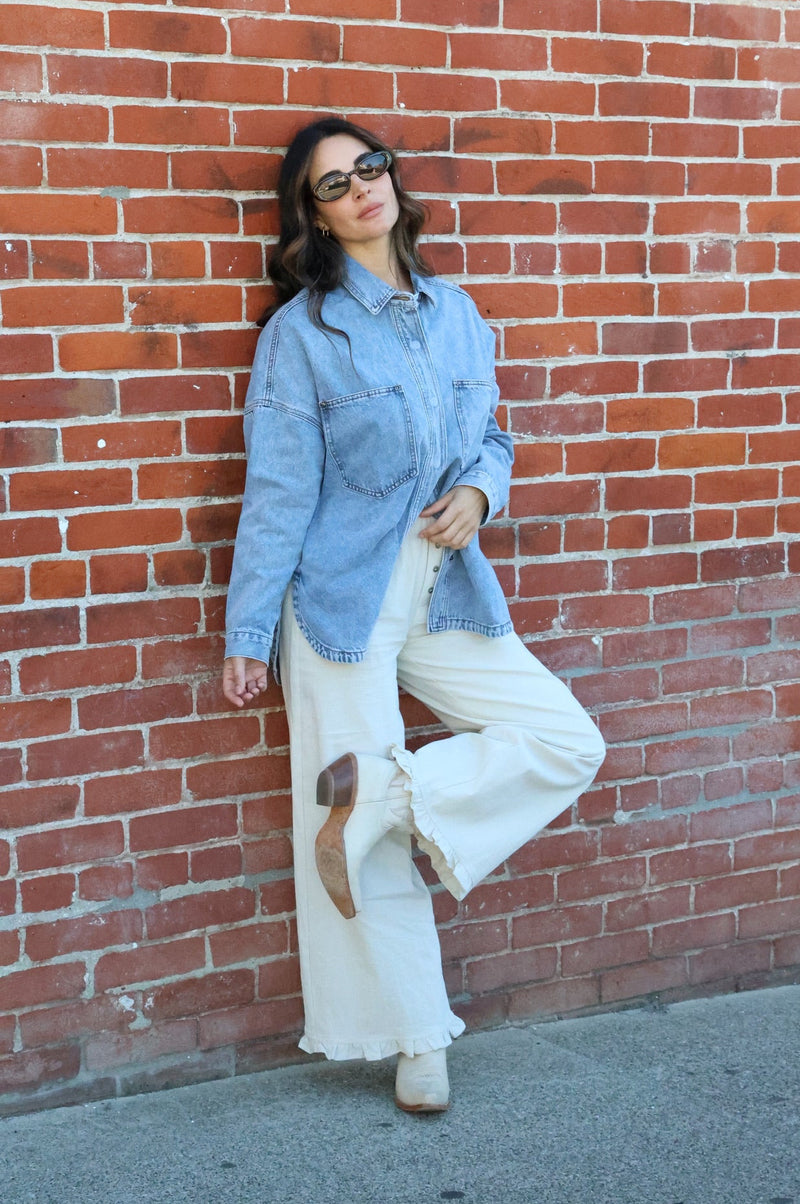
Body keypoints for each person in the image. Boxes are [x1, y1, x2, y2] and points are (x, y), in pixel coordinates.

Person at [222, 116, 606, 1114]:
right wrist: (246, 630)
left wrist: (481, 491)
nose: (360, 190)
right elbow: (276, 493)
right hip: (338, 595)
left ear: (393, 179)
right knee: (362, 856)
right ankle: (412, 1038)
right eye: (332, 184)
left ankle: (383, 796)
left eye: (369, 167)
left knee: (565, 739)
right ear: (310, 215)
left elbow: (486, 434)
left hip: (447, 579)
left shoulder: (454, 311)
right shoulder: (301, 336)